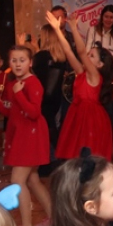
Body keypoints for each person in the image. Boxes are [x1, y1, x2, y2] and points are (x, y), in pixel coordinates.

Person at [0, 46, 52, 226]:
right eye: (14, 60)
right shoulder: (13, 84)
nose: (18, 64)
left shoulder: (33, 83)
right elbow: (11, 111)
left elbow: (34, 112)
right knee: (32, 179)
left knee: (17, 180)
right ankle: (54, 217)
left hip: (31, 136)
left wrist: (19, 94)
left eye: (22, 60)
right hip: (21, 135)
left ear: (30, 62)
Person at [47, 11, 113, 161]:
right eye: (89, 54)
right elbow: (68, 51)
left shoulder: (95, 75)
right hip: (78, 115)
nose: (87, 57)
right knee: (76, 157)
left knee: (89, 156)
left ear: (100, 64)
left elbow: (81, 52)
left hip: (90, 119)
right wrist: (57, 30)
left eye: (92, 56)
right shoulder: (81, 72)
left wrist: (74, 28)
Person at [32, 24, 67, 152]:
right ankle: (58, 152)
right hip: (56, 97)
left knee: (47, 128)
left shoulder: (40, 56)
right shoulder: (61, 57)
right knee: (52, 125)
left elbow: (38, 76)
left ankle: (55, 154)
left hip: (42, 98)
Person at [85, 5, 113, 70]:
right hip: (94, 69)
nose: (108, 20)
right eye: (106, 17)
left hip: (110, 70)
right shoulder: (92, 30)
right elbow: (87, 52)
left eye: (111, 17)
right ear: (102, 17)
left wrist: (111, 70)